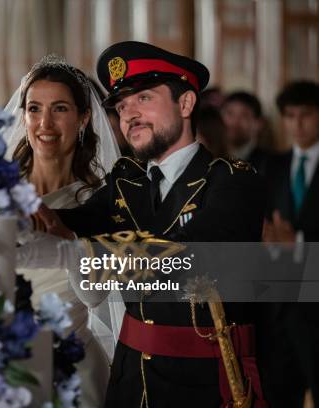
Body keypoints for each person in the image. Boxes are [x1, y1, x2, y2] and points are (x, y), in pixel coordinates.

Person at [33, 41, 267, 407]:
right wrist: (17, 214)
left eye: (143, 98)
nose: (129, 115)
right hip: (129, 382)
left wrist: (81, 252)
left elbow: (188, 254)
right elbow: (69, 218)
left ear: (186, 103)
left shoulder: (232, 181)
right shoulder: (126, 181)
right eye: (122, 106)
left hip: (202, 383)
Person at [3, 55, 121, 407]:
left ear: (83, 117)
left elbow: (100, 297)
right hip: (2, 361)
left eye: (60, 109)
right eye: (34, 108)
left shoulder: (103, 201)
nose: (45, 123)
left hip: (70, 365)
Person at [259, 80, 319, 407]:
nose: (297, 124)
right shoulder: (272, 166)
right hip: (279, 308)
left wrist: (296, 240)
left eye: (306, 115)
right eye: (290, 115)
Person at [221, 91, 270, 174]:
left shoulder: (269, 164)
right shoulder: (211, 159)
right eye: (229, 113)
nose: (234, 122)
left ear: (259, 123)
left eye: (244, 115)